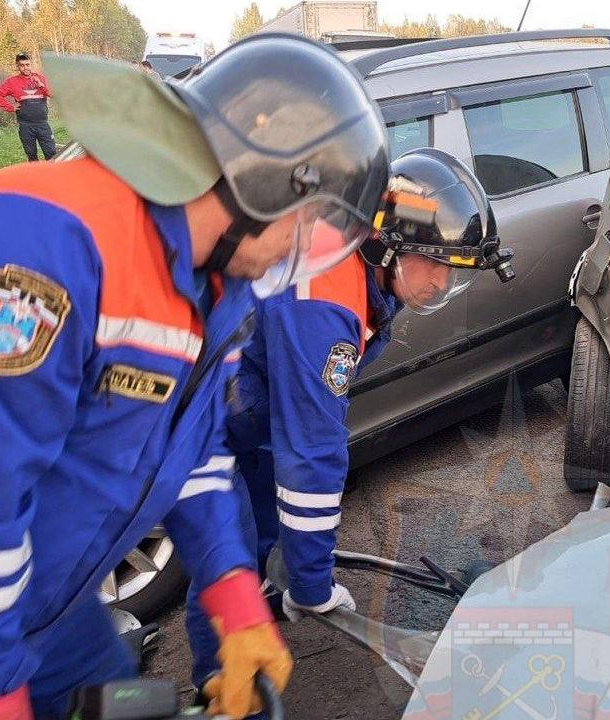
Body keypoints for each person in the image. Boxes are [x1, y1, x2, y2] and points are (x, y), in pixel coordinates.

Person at [0, 34, 391, 720]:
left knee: (112, 690)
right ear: (271, 183)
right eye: (317, 228)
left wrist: (233, 588)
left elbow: (195, 450)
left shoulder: (219, 285)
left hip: (40, 594)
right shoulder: (40, 252)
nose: (307, 256)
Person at [185, 147, 512, 689]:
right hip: (206, 426)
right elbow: (313, 450)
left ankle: (259, 622)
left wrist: (295, 556)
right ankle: (222, 684)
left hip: (250, 418)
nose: (440, 287)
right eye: (438, 267)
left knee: (266, 542)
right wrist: (314, 587)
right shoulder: (323, 302)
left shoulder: (365, 271)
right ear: (390, 245)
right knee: (229, 559)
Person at [0, 53, 57, 162]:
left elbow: (53, 95)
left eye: (27, 64)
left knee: (51, 154)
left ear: (31, 64)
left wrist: (41, 85)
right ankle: (36, 177)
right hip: (25, 126)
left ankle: (53, 177)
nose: (25, 67)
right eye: (22, 65)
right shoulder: (12, 82)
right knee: (31, 155)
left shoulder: (41, 78)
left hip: (42, 124)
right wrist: (10, 107)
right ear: (17, 66)